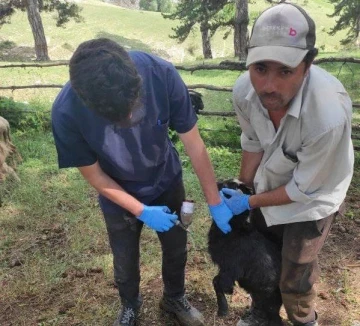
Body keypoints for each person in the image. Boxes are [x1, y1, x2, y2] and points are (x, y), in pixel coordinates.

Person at [51, 38, 234, 326]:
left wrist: (215, 201)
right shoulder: (66, 112)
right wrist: (140, 210)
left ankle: (174, 297)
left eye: (133, 107)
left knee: (176, 248)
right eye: (117, 117)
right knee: (125, 261)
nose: (129, 117)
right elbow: (94, 174)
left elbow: (194, 145)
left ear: (136, 81)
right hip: (117, 190)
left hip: (166, 179)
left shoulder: (161, 74)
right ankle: (130, 306)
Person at [220, 3, 354, 326]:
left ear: (308, 64)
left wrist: (249, 201)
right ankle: (264, 314)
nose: (268, 86)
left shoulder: (327, 117)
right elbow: (252, 141)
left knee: (295, 269)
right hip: (269, 187)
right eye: (260, 68)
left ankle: (304, 319)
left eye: (285, 71)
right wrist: (243, 188)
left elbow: (303, 188)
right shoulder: (244, 92)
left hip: (314, 197)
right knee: (261, 255)